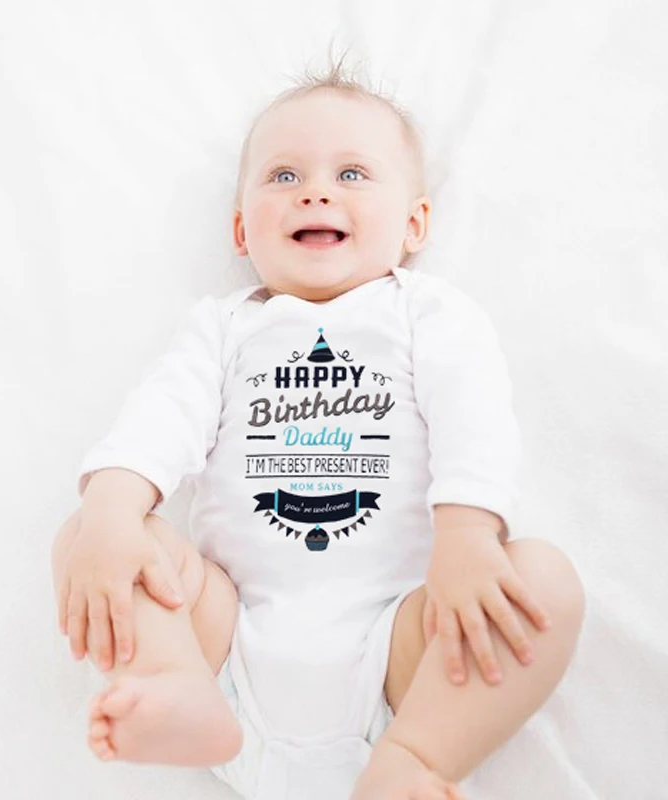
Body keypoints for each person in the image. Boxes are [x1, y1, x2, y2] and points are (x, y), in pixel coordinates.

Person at [51, 58, 585, 800]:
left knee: (542, 581)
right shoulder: (224, 328)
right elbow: (160, 414)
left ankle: (420, 757)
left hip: (400, 658)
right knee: (95, 533)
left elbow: (474, 413)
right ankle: (169, 680)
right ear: (242, 229)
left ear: (414, 223)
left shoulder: (426, 313)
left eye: (353, 173)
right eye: (283, 175)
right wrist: (112, 508)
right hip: (227, 657)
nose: (316, 190)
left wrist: (467, 535)